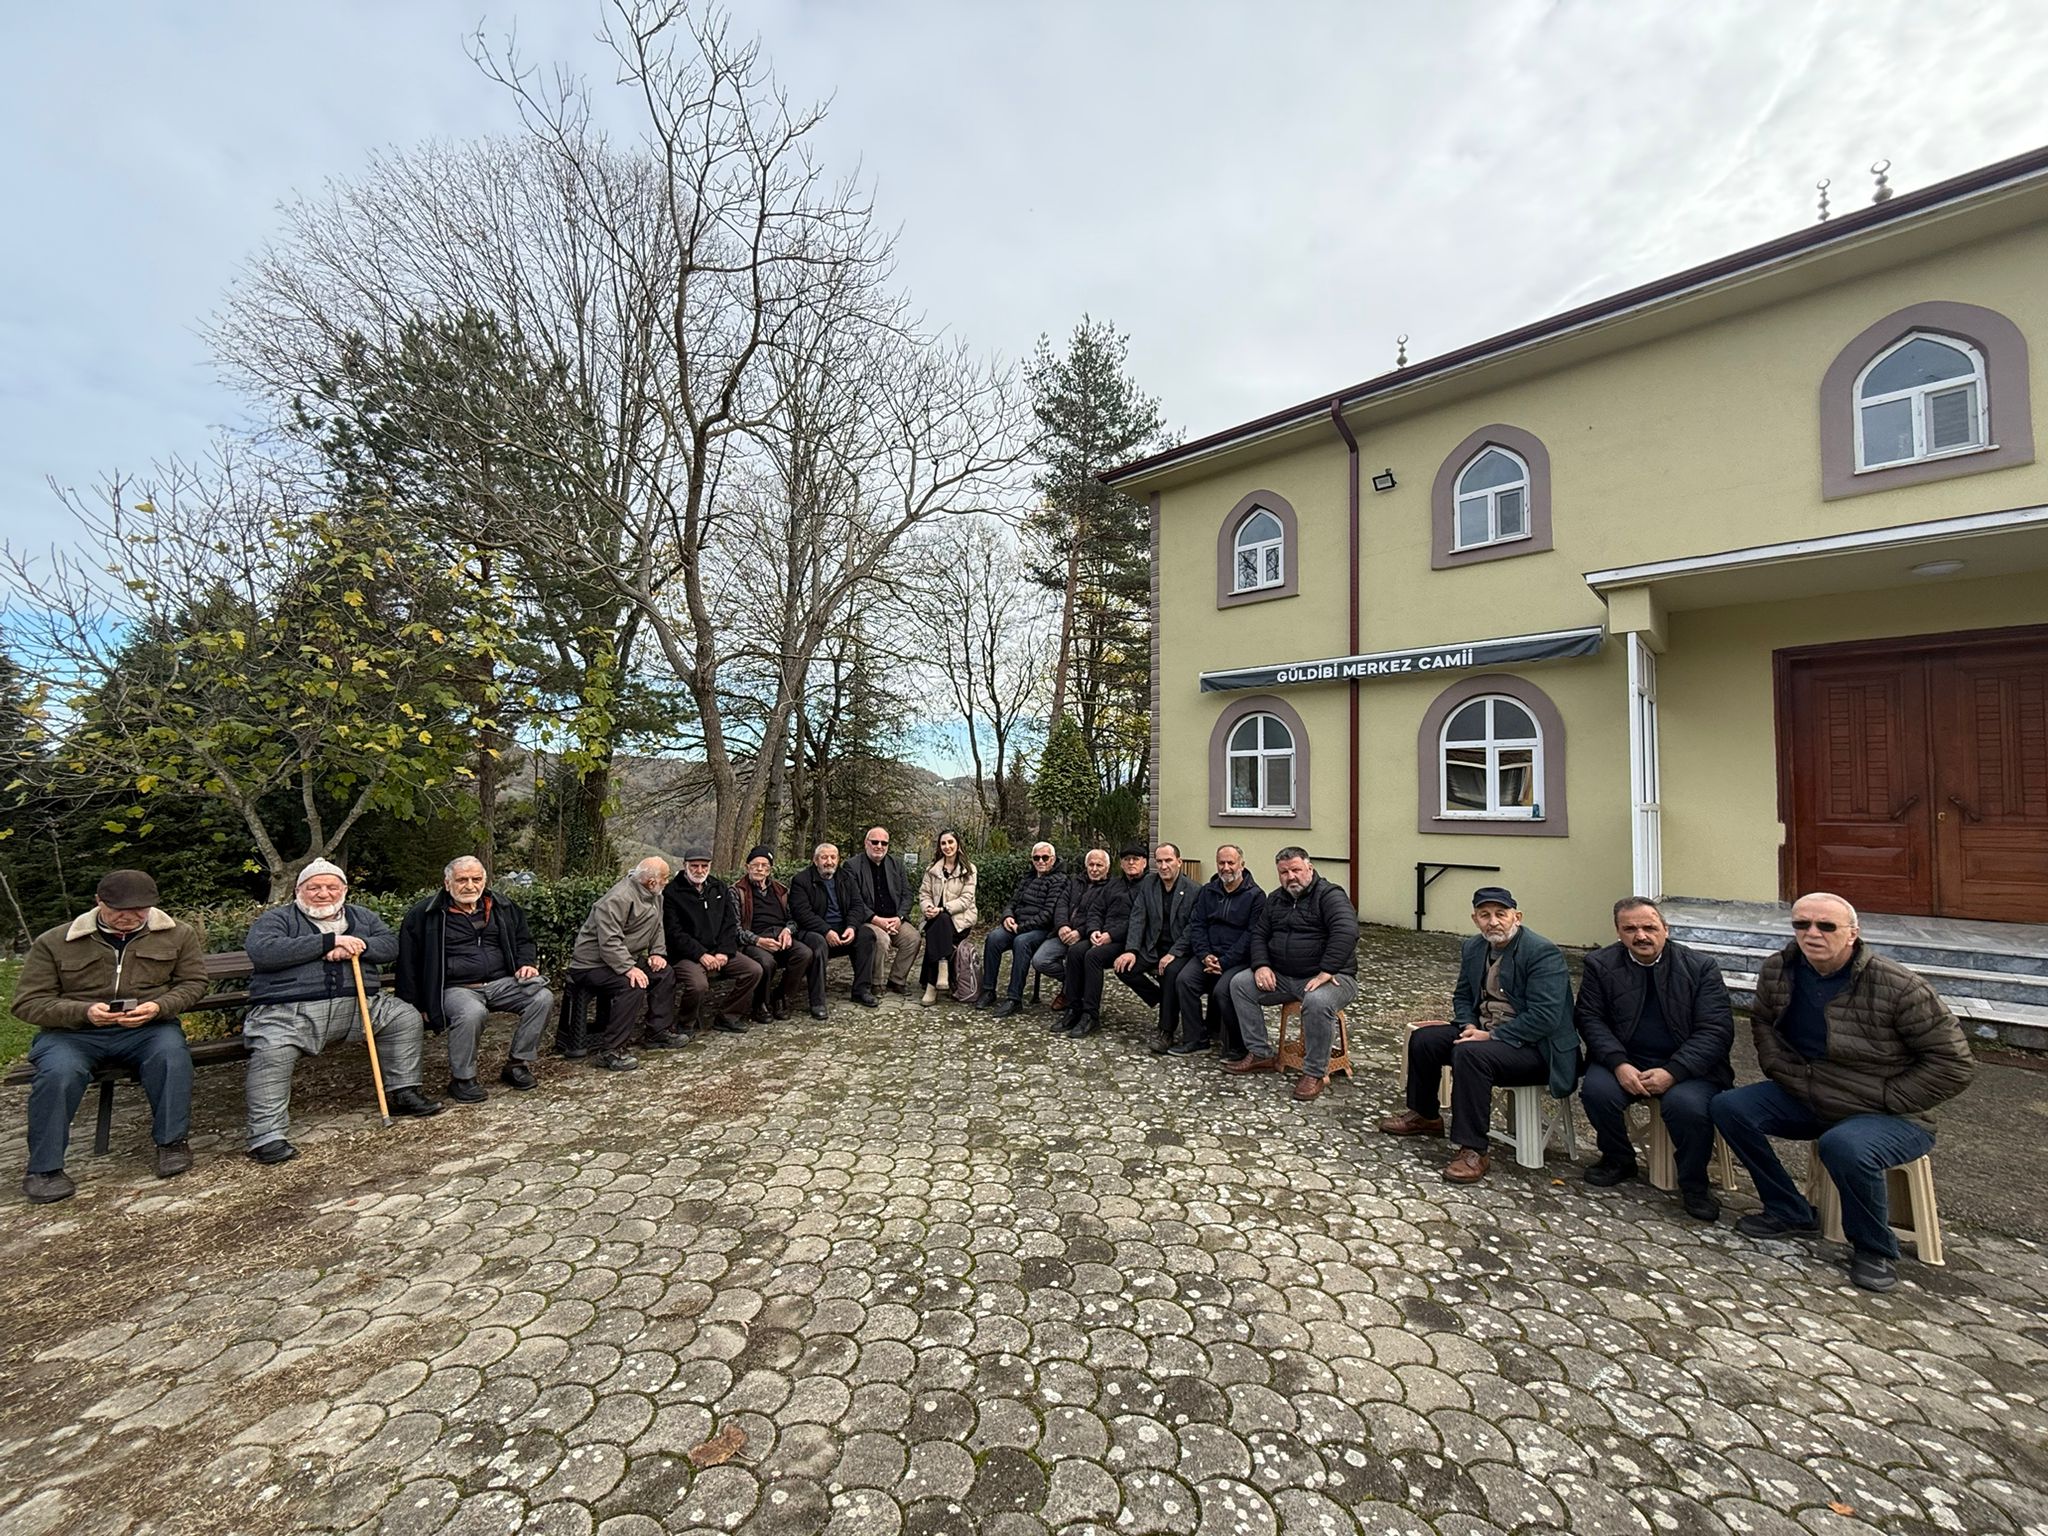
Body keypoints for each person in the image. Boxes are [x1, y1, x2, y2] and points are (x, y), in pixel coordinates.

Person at [1711, 893, 1975, 1293]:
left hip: (1889, 1114)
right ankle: (1790, 1209)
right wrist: (1782, 1071)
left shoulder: (1900, 986)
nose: (1811, 933)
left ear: (1853, 933)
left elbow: (1953, 1064)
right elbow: (1762, 1022)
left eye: (1825, 926)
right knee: (1729, 1107)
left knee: (1844, 1146)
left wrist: (1889, 1097)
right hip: (1808, 1094)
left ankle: (1873, 1248)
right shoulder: (1779, 970)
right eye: (1801, 925)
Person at [15, 869, 209, 1202]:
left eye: (139, 910)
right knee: (58, 1072)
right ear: (98, 902)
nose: (129, 917)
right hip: (72, 1034)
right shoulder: (54, 941)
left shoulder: (178, 935)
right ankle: (44, 1169)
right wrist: (83, 1012)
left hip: (148, 1029)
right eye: (119, 909)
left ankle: (172, 1144)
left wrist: (159, 1007)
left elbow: (194, 983)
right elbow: (27, 1003)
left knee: (171, 1055)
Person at [243, 860, 443, 1164]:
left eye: (331, 887)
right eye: (314, 887)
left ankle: (404, 1091)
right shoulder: (277, 919)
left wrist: (356, 945)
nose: (323, 893)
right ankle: (267, 1135)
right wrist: (328, 942)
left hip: (359, 1006)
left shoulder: (362, 916)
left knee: (404, 1017)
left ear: (344, 890)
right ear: (299, 890)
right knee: (271, 1051)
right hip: (289, 1012)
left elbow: (389, 945)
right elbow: (264, 951)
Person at [1380, 886, 1576, 1183]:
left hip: (1535, 1048)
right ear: (1475, 919)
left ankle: (1473, 1149)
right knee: (1425, 1039)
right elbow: (1462, 995)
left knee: (1468, 1054)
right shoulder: (1473, 947)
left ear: (1517, 916)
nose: (1493, 922)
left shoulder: (1541, 952)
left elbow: (1545, 1017)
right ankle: (1426, 1115)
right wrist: (1469, 1025)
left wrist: (1490, 1037)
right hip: (1484, 1034)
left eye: (1501, 914)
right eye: (1485, 915)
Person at [1573, 897, 1734, 1220]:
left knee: (1686, 1107)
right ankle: (1618, 1159)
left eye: (1649, 927)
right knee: (1597, 1092)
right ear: (1618, 932)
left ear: (1665, 929)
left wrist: (1674, 1071)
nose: (1641, 936)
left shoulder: (1700, 968)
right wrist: (1618, 1063)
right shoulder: (1600, 965)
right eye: (1630, 929)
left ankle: (1694, 1184)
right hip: (1625, 1059)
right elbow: (1590, 1019)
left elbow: (1715, 1030)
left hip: (1688, 1067)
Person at [395, 856, 554, 1103]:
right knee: (472, 1012)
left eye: (476, 879)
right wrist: (416, 1004)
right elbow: (408, 961)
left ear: (484, 880)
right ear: (447, 883)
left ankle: (517, 1064)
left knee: (541, 997)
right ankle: (463, 1079)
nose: (470, 885)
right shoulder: (424, 914)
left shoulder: (502, 906)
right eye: (462, 879)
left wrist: (526, 964)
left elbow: (524, 939)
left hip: (502, 982)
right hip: (455, 988)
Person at [1225, 848, 1361, 1102]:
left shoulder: (1330, 896)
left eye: (1296, 870)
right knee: (1240, 984)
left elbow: (1346, 931)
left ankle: (1314, 1072)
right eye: (1284, 872)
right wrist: (1262, 965)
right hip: (1284, 977)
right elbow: (1259, 935)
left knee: (1318, 1002)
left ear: (1309, 868)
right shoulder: (1276, 899)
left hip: (1334, 977)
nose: (1291, 877)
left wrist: (1327, 970)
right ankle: (1260, 1053)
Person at [566, 857, 678, 1072]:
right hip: (591, 964)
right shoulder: (619, 898)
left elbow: (658, 926)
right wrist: (628, 968)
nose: (667, 882)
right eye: (665, 878)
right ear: (652, 882)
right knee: (632, 984)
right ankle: (611, 1050)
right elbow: (609, 941)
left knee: (664, 973)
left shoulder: (656, 896)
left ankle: (657, 1032)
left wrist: (657, 953)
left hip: (624, 958)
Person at [1167, 845, 1264, 1059]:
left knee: (1224, 990)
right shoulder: (1208, 891)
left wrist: (1225, 961)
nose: (1226, 867)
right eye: (1222, 863)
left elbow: (1252, 934)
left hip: (1237, 959)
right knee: (1184, 980)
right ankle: (1195, 1039)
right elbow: (1197, 925)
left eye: (1231, 863)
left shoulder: (1256, 896)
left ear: (1242, 865)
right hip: (1208, 954)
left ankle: (1235, 1044)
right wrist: (1204, 955)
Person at [663, 847, 764, 1034]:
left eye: (704, 866)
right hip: (687, 955)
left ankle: (728, 1016)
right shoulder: (672, 892)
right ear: (685, 866)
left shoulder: (718, 887)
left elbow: (730, 923)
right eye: (694, 866)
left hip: (719, 951)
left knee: (754, 970)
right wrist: (700, 954)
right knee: (698, 985)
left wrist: (724, 951)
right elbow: (673, 932)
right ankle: (685, 1024)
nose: (699, 870)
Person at [1058, 845, 1148, 1038]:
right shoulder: (1113, 884)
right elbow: (1096, 910)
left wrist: (1111, 935)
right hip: (1102, 935)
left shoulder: (1148, 886)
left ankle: (1090, 1014)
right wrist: (1093, 930)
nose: (1131, 863)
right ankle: (1073, 1008)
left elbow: (1139, 920)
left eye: (1136, 859)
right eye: (1127, 859)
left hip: (1126, 941)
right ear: (1121, 864)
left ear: (1145, 863)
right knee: (1075, 952)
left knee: (1093, 957)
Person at [1119, 842, 1198, 1054]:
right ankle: (1161, 998)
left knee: (1170, 973)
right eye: (1159, 861)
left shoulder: (1193, 890)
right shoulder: (1148, 884)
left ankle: (1166, 1031)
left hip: (1180, 950)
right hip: (1152, 948)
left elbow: (1193, 928)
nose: (1163, 866)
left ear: (1179, 862)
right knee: (1124, 968)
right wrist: (1132, 950)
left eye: (1168, 861)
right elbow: (1138, 917)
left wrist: (1173, 953)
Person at [789, 843, 878, 1018]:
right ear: (815, 861)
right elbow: (802, 913)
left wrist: (852, 927)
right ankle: (817, 1001)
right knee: (819, 944)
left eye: (833, 857)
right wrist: (826, 931)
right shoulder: (801, 880)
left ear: (838, 860)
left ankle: (861, 990)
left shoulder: (846, 878)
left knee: (867, 935)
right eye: (824, 857)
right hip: (813, 930)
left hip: (843, 928)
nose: (829, 862)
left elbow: (857, 905)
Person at [980, 842, 1065, 1017]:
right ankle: (988, 990)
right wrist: (1008, 917)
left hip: (1040, 929)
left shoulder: (1059, 880)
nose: (1040, 861)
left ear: (1053, 859)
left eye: (1045, 857)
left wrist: (1021, 927)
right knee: (994, 938)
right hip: (1017, 924)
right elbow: (1012, 902)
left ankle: (1014, 998)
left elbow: (1049, 914)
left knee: (1021, 942)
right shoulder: (1028, 878)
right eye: (1036, 858)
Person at [735, 846, 812, 1022]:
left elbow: (794, 918)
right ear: (747, 867)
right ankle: (760, 1003)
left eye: (765, 866)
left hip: (780, 935)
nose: (760, 869)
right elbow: (735, 928)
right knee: (767, 962)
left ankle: (782, 996)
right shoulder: (737, 891)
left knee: (804, 954)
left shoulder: (780, 890)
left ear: (770, 869)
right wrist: (758, 941)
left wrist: (788, 930)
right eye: (755, 865)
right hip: (753, 940)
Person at [1033, 849, 1109, 1013]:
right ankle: (1075, 983)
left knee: (1074, 957)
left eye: (1099, 865)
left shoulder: (1109, 888)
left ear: (1107, 868)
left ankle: (1069, 993)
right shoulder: (1075, 881)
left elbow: (1100, 917)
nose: (1094, 869)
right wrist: (1062, 925)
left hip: (1086, 936)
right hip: (1063, 932)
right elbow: (1061, 904)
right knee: (1040, 961)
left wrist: (1080, 932)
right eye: (1091, 864)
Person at [850, 826, 920, 995]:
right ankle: (875, 983)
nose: (879, 846)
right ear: (866, 843)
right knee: (880, 940)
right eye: (875, 842)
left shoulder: (896, 864)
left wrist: (900, 917)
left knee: (913, 938)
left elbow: (907, 894)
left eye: (884, 843)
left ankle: (896, 980)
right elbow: (854, 900)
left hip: (894, 918)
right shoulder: (852, 866)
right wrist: (875, 919)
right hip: (868, 921)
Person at [917, 829, 979, 1006]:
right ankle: (942, 965)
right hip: (935, 919)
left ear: (958, 844)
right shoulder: (932, 869)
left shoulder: (969, 870)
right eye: (943, 843)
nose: (947, 846)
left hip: (960, 921)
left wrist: (943, 909)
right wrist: (928, 907)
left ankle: (931, 986)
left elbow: (966, 899)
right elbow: (924, 894)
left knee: (941, 921)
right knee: (938, 923)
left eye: (950, 842)